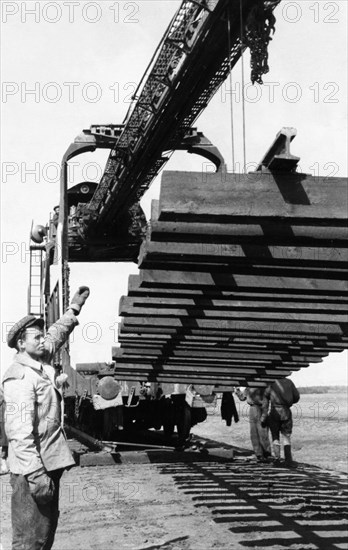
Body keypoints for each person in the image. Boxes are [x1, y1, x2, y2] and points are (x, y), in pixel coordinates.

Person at [2, 286, 90, 550]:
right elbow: (19, 432)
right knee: (30, 541)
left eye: (42, 337)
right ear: (21, 344)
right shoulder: (20, 377)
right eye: (36, 337)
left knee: (43, 536)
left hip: (48, 464)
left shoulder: (37, 362)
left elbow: (56, 335)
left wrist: (74, 309)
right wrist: (36, 474)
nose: (43, 341)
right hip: (32, 471)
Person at [261, 378, 300, 467]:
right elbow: (296, 397)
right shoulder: (289, 382)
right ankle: (288, 460)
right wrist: (288, 402)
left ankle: (277, 459)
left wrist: (264, 414)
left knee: (275, 436)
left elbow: (265, 397)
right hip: (286, 412)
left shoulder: (271, 383)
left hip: (274, 412)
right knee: (286, 436)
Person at [235, 387, 272, 463]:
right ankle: (258, 454)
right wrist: (238, 391)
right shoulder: (248, 387)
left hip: (261, 409)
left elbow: (266, 401)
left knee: (263, 433)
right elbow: (242, 398)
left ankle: (267, 455)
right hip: (252, 409)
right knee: (253, 433)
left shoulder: (263, 386)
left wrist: (264, 415)